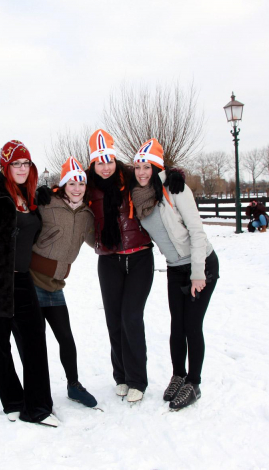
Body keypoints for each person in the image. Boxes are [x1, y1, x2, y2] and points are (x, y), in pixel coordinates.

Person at [0, 140, 58, 427]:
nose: (21, 168)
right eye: (16, 163)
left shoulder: (30, 197)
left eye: (25, 163)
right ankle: (13, 402)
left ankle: (38, 408)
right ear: (5, 166)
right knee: (0, 347)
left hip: (22, 281)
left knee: (34, 343)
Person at [130, 139, 219, 410]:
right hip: (173, 268)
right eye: (138, 167)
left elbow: (196, 232)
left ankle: (194, 382)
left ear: (158, 167)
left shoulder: (176, 189)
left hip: (200, 264)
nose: (142, 172)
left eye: (148, 166)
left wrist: (197, 273)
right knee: (176, 327)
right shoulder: (140, 196)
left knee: (192, 326)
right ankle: (178, 375)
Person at [87, 129, 154, 404]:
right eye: (100, 162)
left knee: (131, 317)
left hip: (139, 257)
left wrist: (174, 176)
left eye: (109, 161)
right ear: (93, 163)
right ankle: (122, 376)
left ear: (115, 160)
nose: (105, 167)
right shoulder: (87, 186)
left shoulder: (131, 178)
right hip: (109, 260)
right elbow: (66, 195)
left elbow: (154, 176)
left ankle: (138, 378)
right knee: (114, 319)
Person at [30, 157, 97, 408]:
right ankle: (37, 390)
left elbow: (95, 243)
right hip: (32, 281)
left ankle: (73, 385)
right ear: (64, 184)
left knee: (66, 338)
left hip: (56, 284)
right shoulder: (48, 204)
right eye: (72, 183)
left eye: (81, 183)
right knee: (36, 340)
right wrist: (36, 194)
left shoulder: (87, 214)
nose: (77, 188)